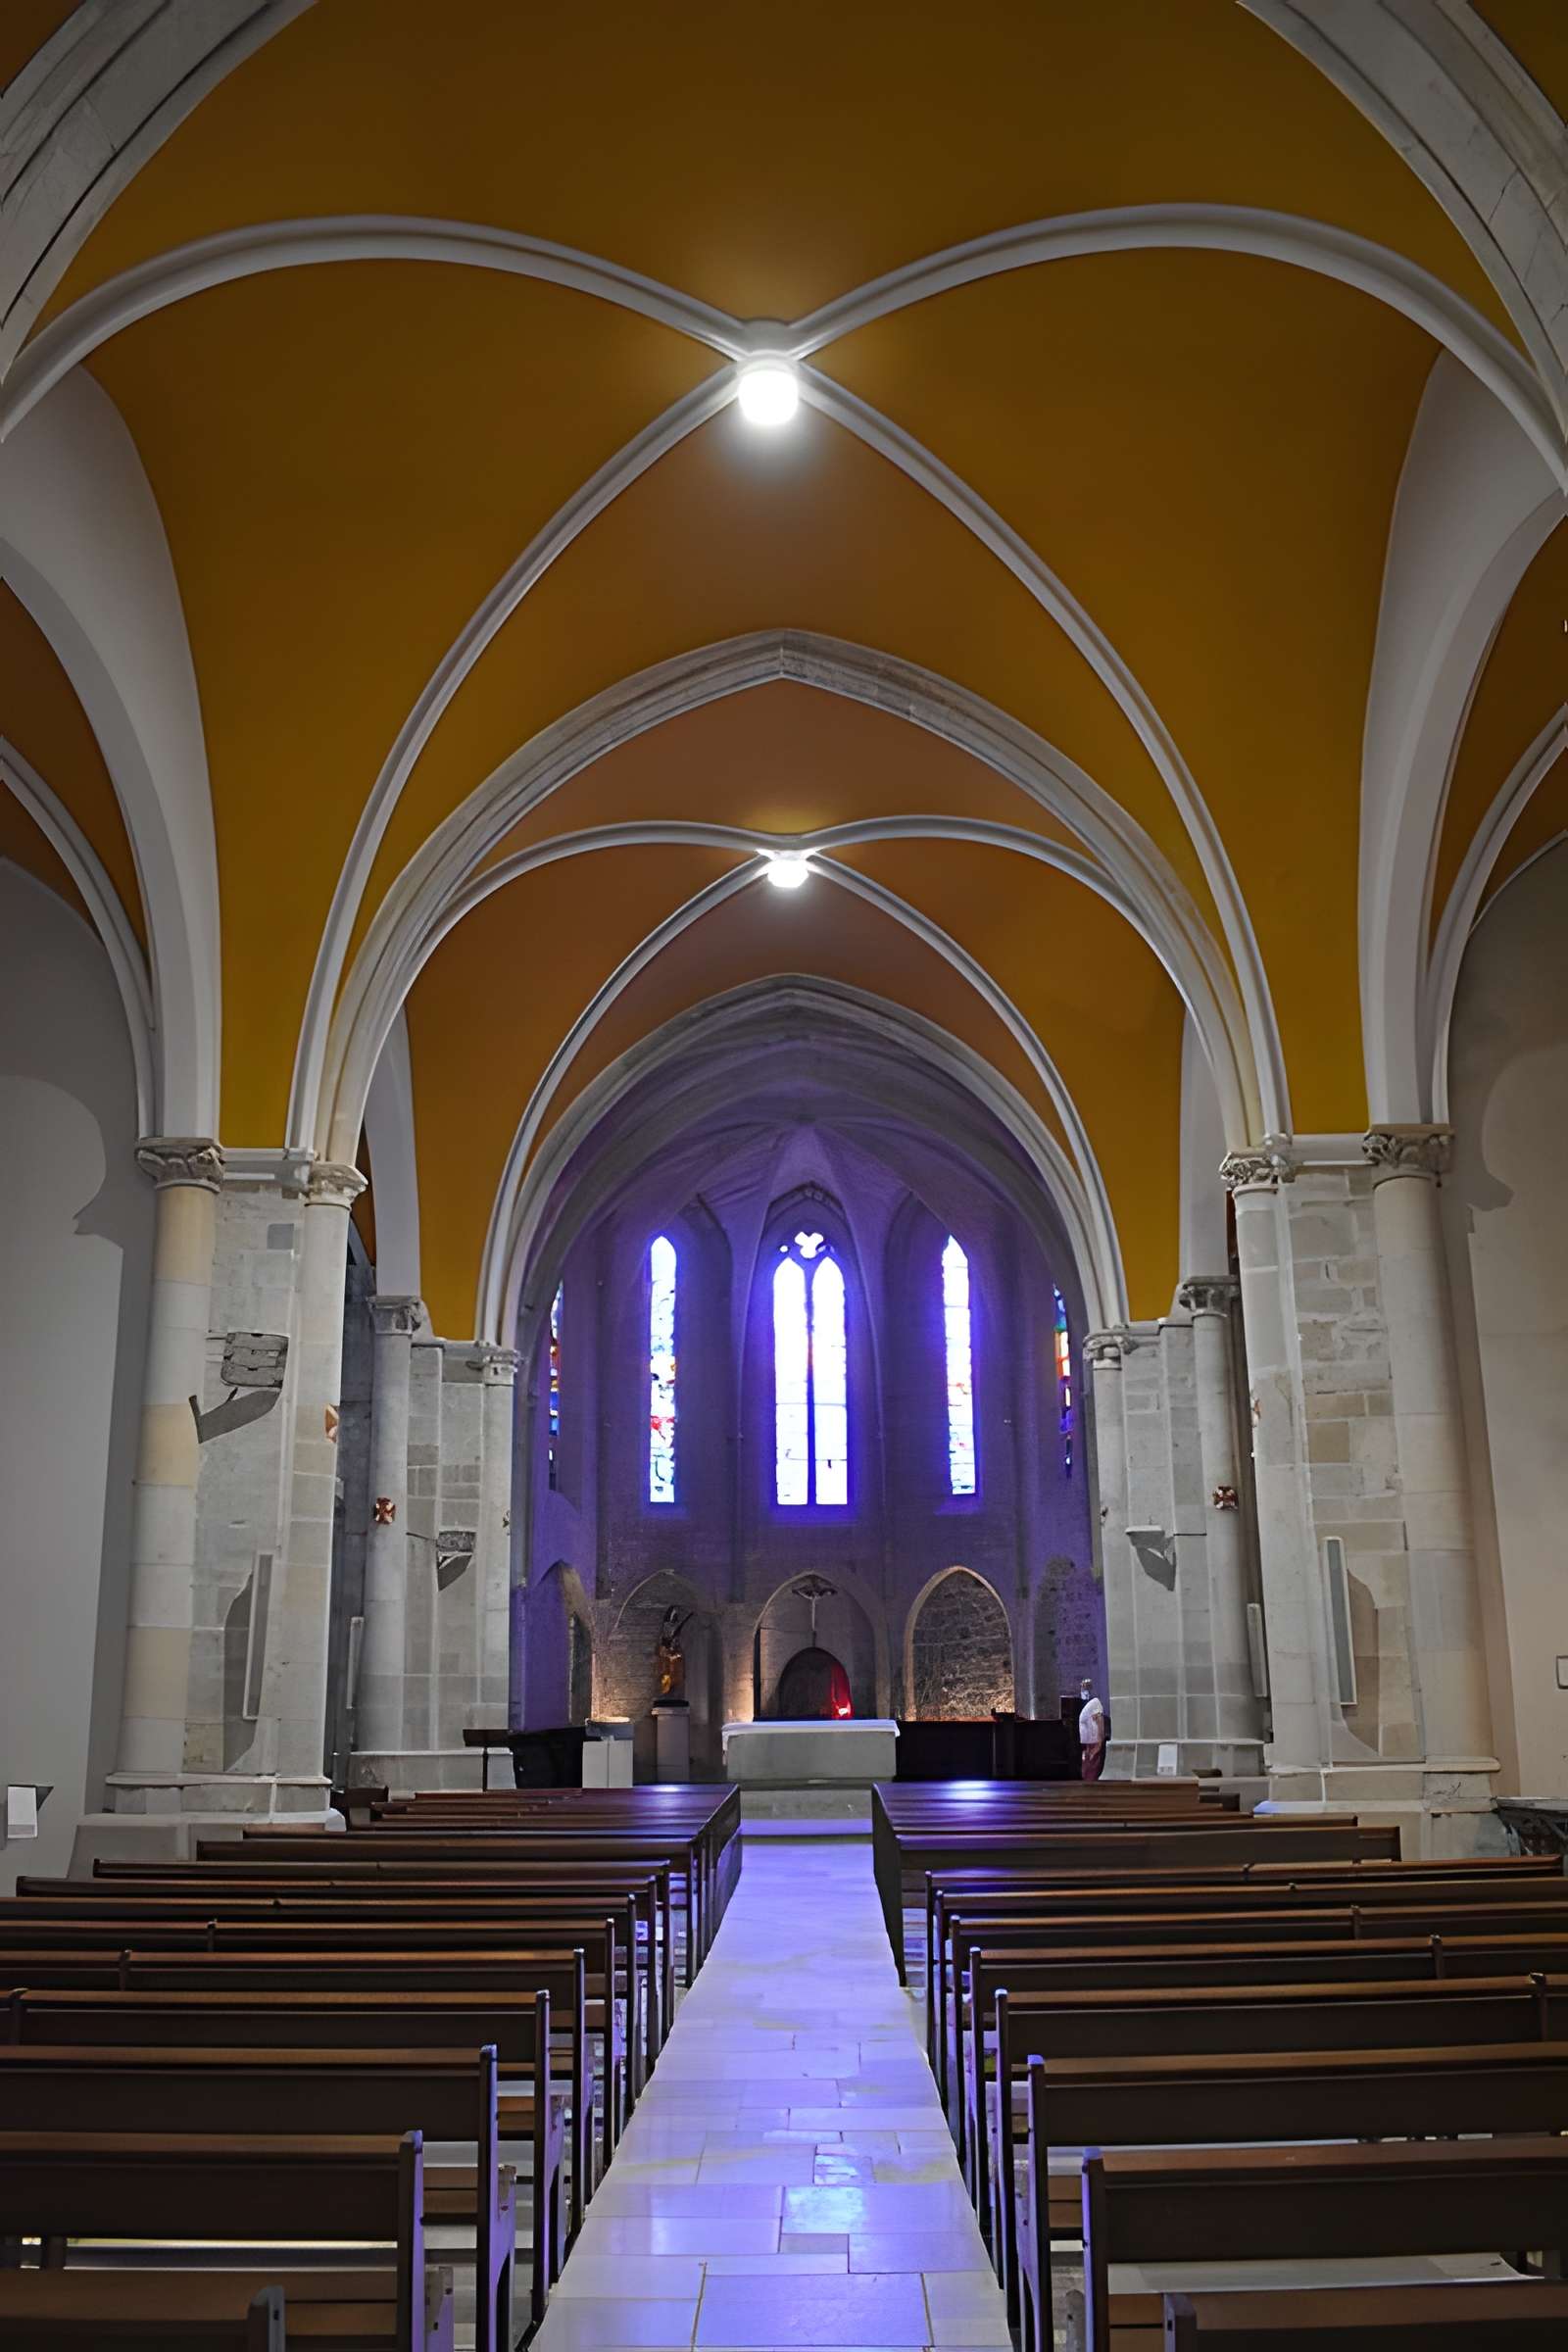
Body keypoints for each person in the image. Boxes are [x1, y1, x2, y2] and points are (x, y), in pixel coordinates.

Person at [1078, 1676, 1107, 1781]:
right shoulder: (1086, 1705)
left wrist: (1099, 1742)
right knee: (1086, 1770)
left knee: (1091, 1771)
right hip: (1088, 1744)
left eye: (1086, 1687)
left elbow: (1100, 1721)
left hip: (1094, 1742)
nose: (1083, 1689)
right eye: (1082, 1687)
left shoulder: (1095, 1702)